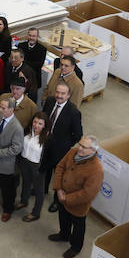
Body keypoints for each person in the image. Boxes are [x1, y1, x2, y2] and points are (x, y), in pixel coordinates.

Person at [49, 135, 103, 258]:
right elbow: (60, 167)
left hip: (78, 206)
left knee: (78, 227)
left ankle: (76, 247)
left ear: (93, 150)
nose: (80, 148)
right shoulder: (72, 152)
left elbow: (88, 193)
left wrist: (66, 198)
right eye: (80, 144)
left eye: (84, 147)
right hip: (61, 195)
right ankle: (64, 235)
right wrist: (59, 189)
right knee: (63, 218)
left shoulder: (97, 170)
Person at [41, 82, 84, 213]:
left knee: (58, 175)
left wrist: (65, 144)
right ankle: (42, 189)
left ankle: (56, 201)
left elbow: (78, 135)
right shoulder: (49, 101)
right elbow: (43, 118)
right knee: (44, 168)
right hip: (45, 144)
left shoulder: (74, 112)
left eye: (63, 93)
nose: (59, 96)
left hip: (60, 150)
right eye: (58, 92)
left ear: (68, 95)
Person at [19, 112, 49, 222]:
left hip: (37, 166)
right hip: (24, 161)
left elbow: (50, 157)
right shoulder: (27, 131)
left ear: (45, 125)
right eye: (35, 122)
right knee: (25, 182)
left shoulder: (47, 138)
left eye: (40, 124)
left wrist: (42, 168)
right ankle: (23, 201)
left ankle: (36, 213)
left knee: (38, 190)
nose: (36, 125)